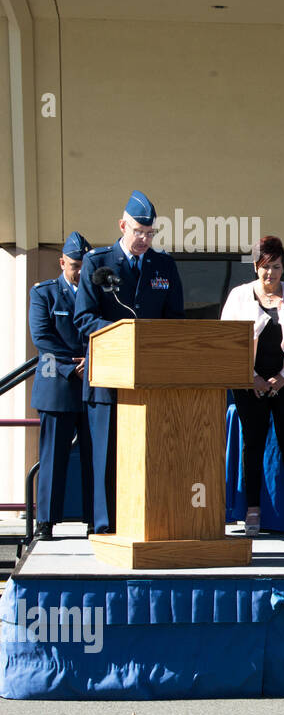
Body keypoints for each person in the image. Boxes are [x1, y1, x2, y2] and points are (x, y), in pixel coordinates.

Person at [74, 190, 185, 535]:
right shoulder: (98, 262)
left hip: (151, 379)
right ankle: (107, 527)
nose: (144, 239)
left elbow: (175, 319)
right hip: (109, 376)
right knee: (107, 456)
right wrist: (123, 334)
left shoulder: (163, 264)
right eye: (138, 231)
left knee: (149, 455)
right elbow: (84, 318)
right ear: (123, 225)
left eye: (150, 234)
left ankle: (146, 520)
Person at [220, 236, 284, 536]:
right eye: (264, 267)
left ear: (283, 267)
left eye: (276, 266)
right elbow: (227, 339)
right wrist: (251, 378)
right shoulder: (238, 296)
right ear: (255, 267)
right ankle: (252, 511)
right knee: (253, 445)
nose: (270, 273)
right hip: (250, 383)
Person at [28, 232, 95, 539]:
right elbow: (43, 338)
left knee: (96, 458)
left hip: (95, 384)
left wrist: (91, 362)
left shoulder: (98, 294)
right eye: (74, 264)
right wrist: (74, 366)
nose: (80, 271)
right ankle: (46, 522)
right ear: (62, 262)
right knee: (54, 458)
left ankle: (98, 520)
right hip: (59, 386)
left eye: (85, 264)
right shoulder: (45, 293)